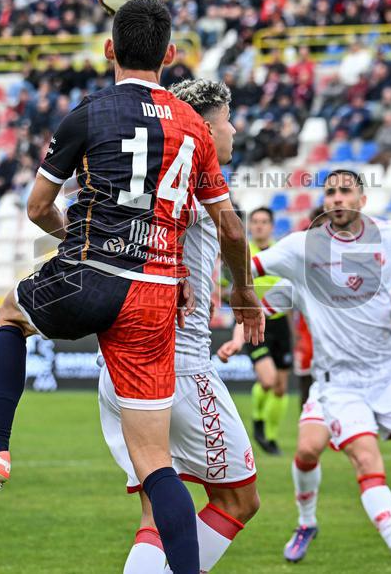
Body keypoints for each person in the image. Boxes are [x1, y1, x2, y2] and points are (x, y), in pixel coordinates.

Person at [0, 0, 264, 574]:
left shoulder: (87, 113)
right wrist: (240, 293)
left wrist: (77, 239)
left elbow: (39, 207)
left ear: (109, 49)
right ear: (171, 55)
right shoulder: (193, 128)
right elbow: (230, 228)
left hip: (91, 272)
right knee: (158, 466)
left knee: (10, 315)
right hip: (154, 295)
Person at [225, 170, 391, 572]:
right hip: (337, 384)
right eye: (330, 192)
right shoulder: (302, 248)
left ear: (362, 199)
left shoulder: (390, 236)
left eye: (346, 191)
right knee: (344, 457)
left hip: (389, 373)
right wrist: (235, 312)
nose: (337, 198)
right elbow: (250, 273)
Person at [101, 78, 260, 573]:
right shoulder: (191, 181)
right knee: (239, 500)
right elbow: (231, 231)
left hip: (121, 365)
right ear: (205, 130)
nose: (234, 131)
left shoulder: (145, 179)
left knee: (156, 511)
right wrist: (244, 291)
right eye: (228, 121)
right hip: (179, 367)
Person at [218, 207, 293, 455]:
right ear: (250, 226)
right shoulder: (241, 253)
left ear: (272, 226)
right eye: (256, 221)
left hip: (280, 323)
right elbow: (222, 287)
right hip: (252, 322)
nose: (259, 226)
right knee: (268, 380)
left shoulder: (281, 254)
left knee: (280, 387)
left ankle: (270, 438)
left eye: (264, 222)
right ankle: (258, 423)